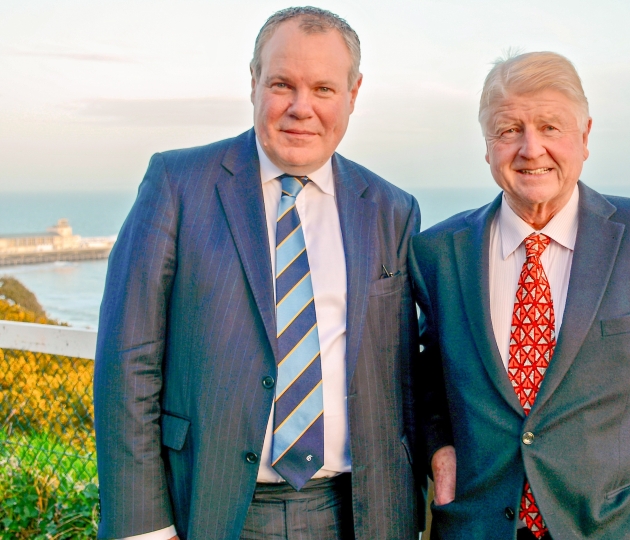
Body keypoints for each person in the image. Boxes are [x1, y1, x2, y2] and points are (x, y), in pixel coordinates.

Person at [94, 7, 422, 540]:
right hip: (212, 507)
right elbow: (127, 361)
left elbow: (407, 371)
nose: (301, 108)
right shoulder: (177, 185)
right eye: (282, 84)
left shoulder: (391, 209)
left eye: (323, 89)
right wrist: (143, 527)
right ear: (253, 83)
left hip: (357, 513)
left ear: (353, 94)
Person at [410, 51, 630, 540]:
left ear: (585, 136)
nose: (531, 149)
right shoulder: (438, 253)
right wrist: (440, 450)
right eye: (509, 130)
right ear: (486, 145)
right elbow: (426, 380)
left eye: (551, 127)